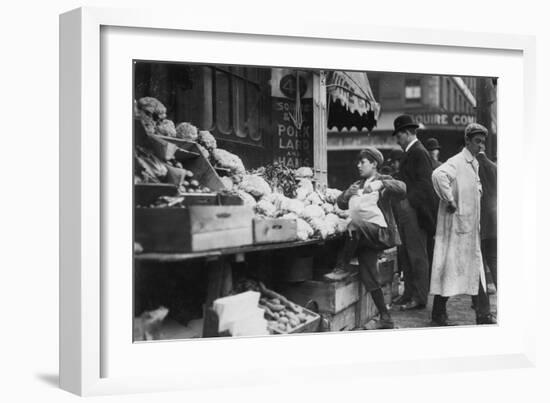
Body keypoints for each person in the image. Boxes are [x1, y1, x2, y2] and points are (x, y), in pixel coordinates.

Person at [332, 147, 407, 329]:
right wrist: (346, 194)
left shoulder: (383, 180)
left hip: (380, 232)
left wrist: (381, 184)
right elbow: (341, 203)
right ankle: (386, 317)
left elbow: (402, 188)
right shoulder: (357, 184)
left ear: (374, 164)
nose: (359, 165)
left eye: (362, 162)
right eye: (358, 162)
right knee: (369, 276)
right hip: (364, 237)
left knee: (353, 225)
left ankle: (342, 265)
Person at [430, 123, 495, 326]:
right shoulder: (457, 161)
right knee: (451, 271)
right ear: (467, 141)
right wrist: (449, 200)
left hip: (470, 229)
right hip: (458, 229)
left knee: (473, 271)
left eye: (483, 142)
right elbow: (438, 175)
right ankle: (440, 314)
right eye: (477, 141)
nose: (480, 145)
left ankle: (481, 314)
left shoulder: (474, 164)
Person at [392, 115, 439, 311]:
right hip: (407, 211)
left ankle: (419, 297)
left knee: (416, 255)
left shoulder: (419, 153)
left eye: (399, 135)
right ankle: (408, 293)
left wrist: (408, 202)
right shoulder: (412, 153)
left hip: (414, 212)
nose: (397, 140)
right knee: (406, 254)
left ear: (408, 133)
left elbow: (424, 185)